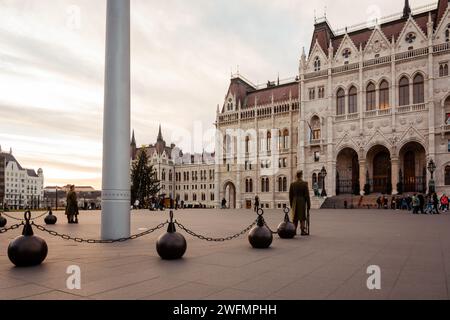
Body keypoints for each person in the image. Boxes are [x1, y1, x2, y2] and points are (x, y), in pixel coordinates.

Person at [289, 171, 311, 236]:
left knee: (294, 217)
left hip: (294, 202)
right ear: (301, 175)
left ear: (296, 175)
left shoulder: (292, 184)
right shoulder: (304, 184)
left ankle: (294, 230)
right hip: (302, 201)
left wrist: (291, 204)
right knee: (302, 217)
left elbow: (290, 196)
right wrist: (309, 204)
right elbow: (307, 195)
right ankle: (302, 231)